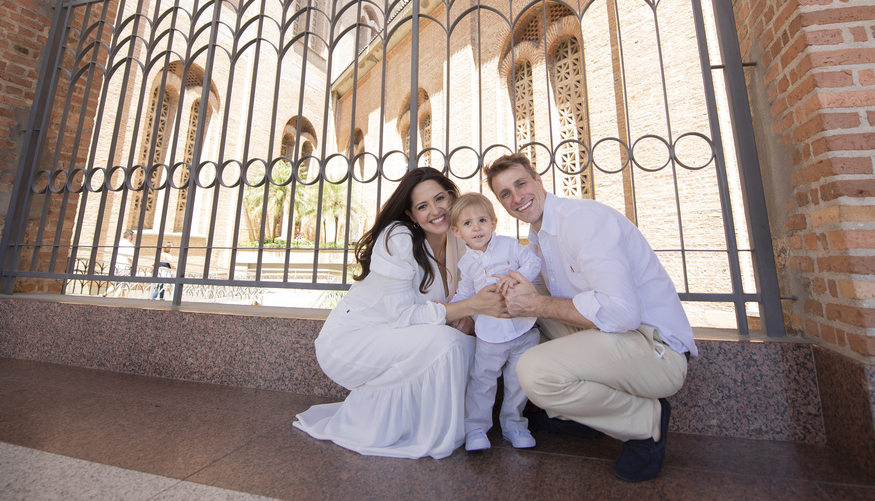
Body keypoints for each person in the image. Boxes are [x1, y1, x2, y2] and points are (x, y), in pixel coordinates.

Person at [485, 153, 697, 483]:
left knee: (534, 370)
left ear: (539, 181)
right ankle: (574, 414)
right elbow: (540, 301)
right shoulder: (539, 238)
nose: (516, 197)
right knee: (523, 331)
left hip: (656, 351)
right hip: (618, 340)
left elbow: (621, 313)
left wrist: (537, 305)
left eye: (521, 184)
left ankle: (646, 422)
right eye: (505, 194)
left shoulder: (581, 220)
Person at [293, 167, 507, 459]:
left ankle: (414, 423)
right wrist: (471, 307)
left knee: (467, 344)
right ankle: (392, 428)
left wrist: (468, 314)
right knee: (447, 343)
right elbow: (404, 316)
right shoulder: (398, 237)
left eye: (440, 199)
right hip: (353, 341)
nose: (435, 211)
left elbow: (477, 287)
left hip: (397, 336)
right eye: (422, 206)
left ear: (452, 198)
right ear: (411, 215)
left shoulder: (462, 238)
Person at [447, 192, 543, 452]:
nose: (476, 228)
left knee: (517, 382)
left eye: (481, 220)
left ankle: (514, 425)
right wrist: (450, 310)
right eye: (467, 224)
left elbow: (533, 261)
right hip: (489, 336)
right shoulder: (466, 264)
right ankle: (476, 428)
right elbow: (465, 292)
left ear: (493, 223)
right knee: (482, 381)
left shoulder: (509, 246)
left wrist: (518, 278)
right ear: (457, 232)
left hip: (523, 328)